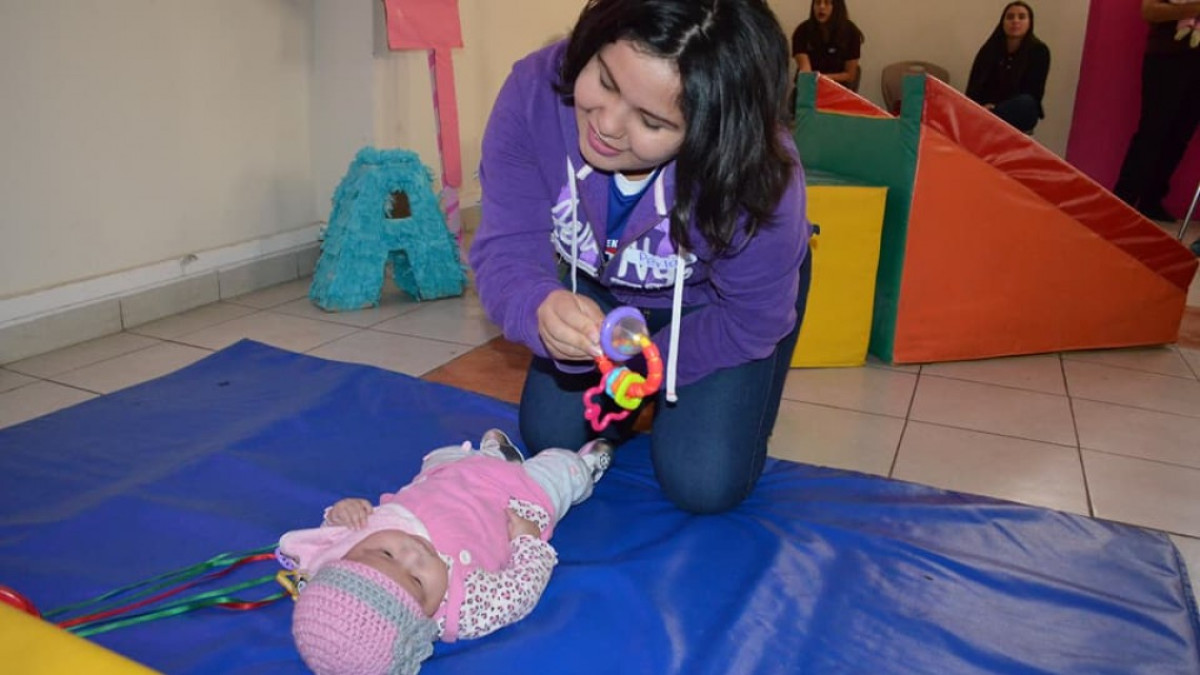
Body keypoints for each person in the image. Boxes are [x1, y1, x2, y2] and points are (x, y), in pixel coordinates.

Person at [468, 0, 811, 515]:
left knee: (704, 483)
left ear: (710, 132)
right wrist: (540, 303)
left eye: (651, 120)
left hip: (712, 305)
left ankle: (660, 398)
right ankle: (630, 398)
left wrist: (644, 363)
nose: (606, 126)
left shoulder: (759, 175)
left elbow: (752, 319)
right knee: (550, 437)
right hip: (600, 289)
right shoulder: (534, 92)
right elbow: (506, 246)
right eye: (604, 80)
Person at [276, 430, 615, 675]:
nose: (413, 554)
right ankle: (582, 468)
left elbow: (331, 532)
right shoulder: (464, 606)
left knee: (441, 454)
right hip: (513, 499)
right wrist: (527, 541)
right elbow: (522, 590)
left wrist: (343, 510)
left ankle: (497, 456)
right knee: (558, 475)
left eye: (387, 554)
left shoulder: (347, 549)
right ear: (422, 621)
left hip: (450, 475)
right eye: (417, 580)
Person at [1114, 0, 1200, 223]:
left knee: (1181, 136)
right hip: (1167, 57)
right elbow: (1150, 11)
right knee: (1153, 130)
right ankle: (1123, 199)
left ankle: (1151, 200)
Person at [966, 1, 1051, 133]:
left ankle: (986, 120)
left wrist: (995, 109)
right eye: (1010, 17)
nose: (1015, 21)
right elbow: (975, 86)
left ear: (1030, 22)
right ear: (1003, 22)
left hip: (1017, 109)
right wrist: (983, 106)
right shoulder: (989, 49)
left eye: (1021, 17)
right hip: (984, 108)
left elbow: (1034, 91)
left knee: (1026, 102)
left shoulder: (1039, 51)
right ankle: (986, 120)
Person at [791, 0, 865, 92]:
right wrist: (814, 80)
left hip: (839, 88)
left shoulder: (851, 32)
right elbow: (806, 71)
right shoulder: (802, 31)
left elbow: (850, 75)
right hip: (810, 87)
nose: (821, 7)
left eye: (827, 3)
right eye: (817, 3)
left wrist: (822, 78)